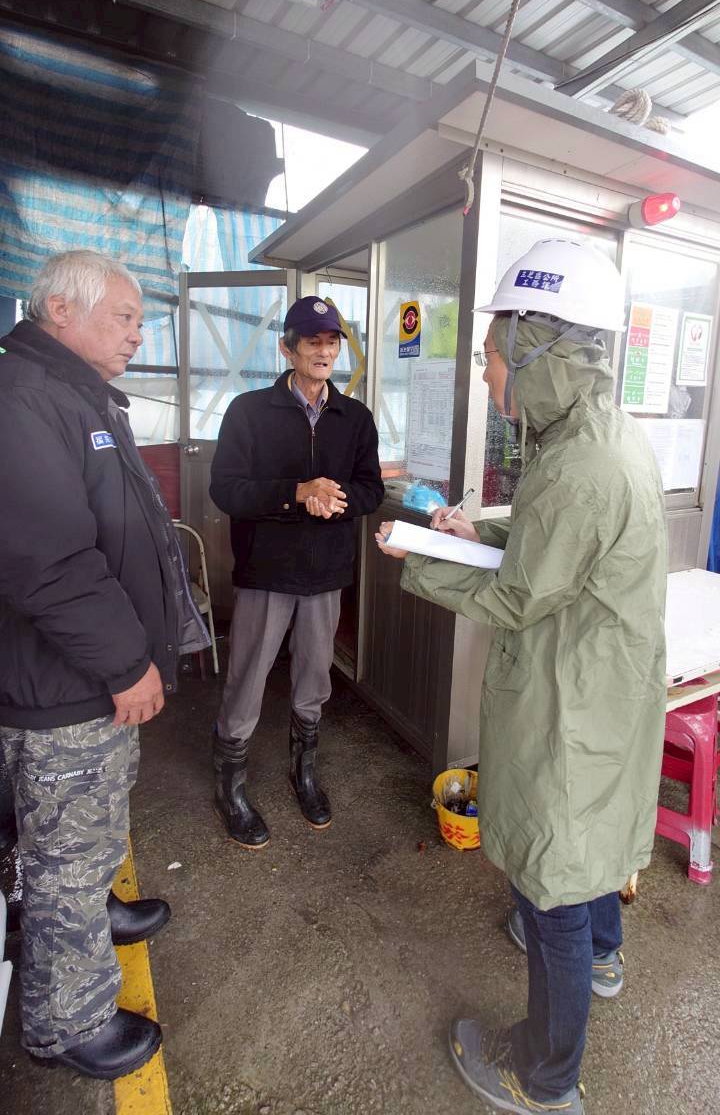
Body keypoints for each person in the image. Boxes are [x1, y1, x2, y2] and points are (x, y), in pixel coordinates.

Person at [376, 240, 667, 1115]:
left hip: (570, 703)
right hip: (601, 690)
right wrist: (483, 534)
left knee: (553, 888)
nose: (491, 379)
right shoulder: (597, 434)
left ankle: (544, 1080)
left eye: (496, 359)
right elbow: (550, 553)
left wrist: (417, 556)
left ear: (541, 353)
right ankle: (605, 954)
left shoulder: (580, 465)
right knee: (590, 854)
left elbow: (518, 596)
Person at [0, 251, 208, 1080]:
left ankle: (97, 910)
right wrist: (127, 663)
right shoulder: (24, 400)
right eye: (122, 316)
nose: (137, 331)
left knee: (82, 836)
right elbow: (50, 562)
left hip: (82, 678)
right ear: (60, 309)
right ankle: (67, 1020)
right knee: (64, 856)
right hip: (65, 686)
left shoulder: (74, 392)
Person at [210, 296, 384, 847]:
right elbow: (226, 489)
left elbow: (370, 487)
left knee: (314, 676)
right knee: (248, 676)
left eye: (332, 341)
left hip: (326, 570)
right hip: (267, 569)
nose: (324, 350)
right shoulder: (249, 411)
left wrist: (338, 500)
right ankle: (230, 784)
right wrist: (294, 495)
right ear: (286, 348)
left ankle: (302, 770)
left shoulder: (354, 417)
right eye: (313, 341)